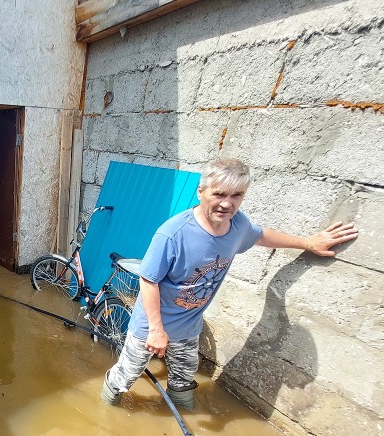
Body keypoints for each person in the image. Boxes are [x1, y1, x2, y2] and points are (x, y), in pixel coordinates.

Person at [100, 159, 359, 410]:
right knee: (126, 375)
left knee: (183, 380)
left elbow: (261, 235)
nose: (227, 204)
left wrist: (308, 243)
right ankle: (106, 411)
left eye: (236, 195)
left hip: (188, 327)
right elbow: (148, 281)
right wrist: (156, 330)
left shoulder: (238, 225)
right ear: (200, 192)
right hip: (151, 326)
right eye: (219, 194)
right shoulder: (172, 234)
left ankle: (182, 416)